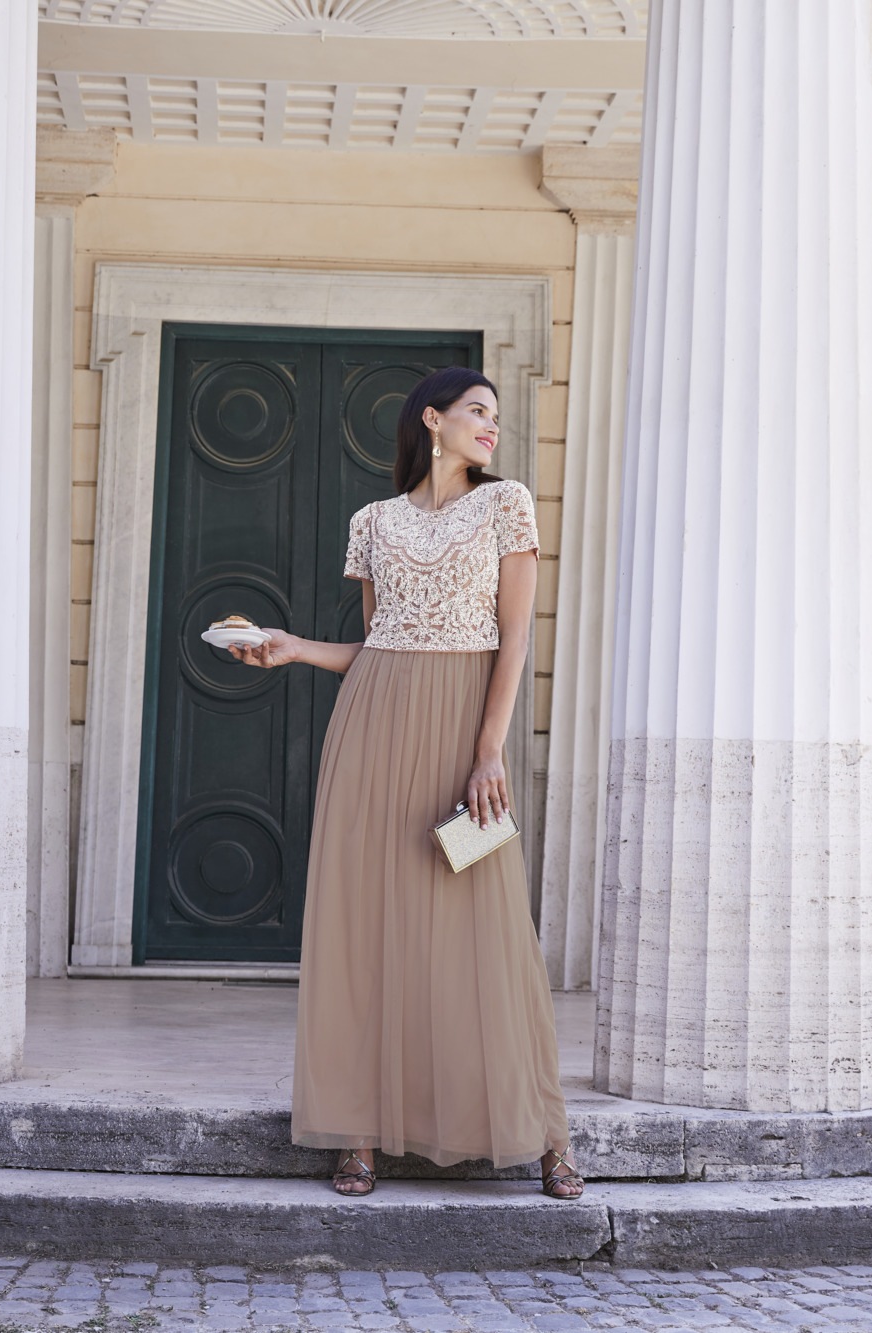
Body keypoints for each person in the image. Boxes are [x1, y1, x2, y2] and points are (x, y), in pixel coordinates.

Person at [227, 366, 582, 1201]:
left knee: (486, 924)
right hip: (374, 724)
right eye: (477, 411)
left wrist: (489, 750)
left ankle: (544, 1135)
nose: (492, 426)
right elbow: (381, 643)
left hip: (466, 728)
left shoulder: (508, 505)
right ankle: (358, 1134)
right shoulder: (372, 522)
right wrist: (293, 647)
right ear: (434, 419)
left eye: (496, 415)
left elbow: (514, 641)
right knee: (365, 923)